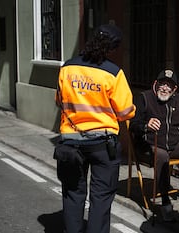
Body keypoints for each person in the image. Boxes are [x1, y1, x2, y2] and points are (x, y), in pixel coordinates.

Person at [55, 23, 135, 233]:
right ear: (113, 49)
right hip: (103, 144)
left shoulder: (67, 67)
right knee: (101, 197)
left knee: (73, 193)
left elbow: (59, 101)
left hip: (71, 141)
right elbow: (126, 112)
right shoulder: (113, 73)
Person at [129, 69, 179, 221]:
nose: (165, 88)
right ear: (156, 83)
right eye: (162, 84)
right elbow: (133, 125)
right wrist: (146, 125)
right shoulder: (144, 98)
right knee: (161, 155)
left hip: (175, 144)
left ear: (174, 89)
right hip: (150, 145)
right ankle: (165, 201)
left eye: (169, 86)